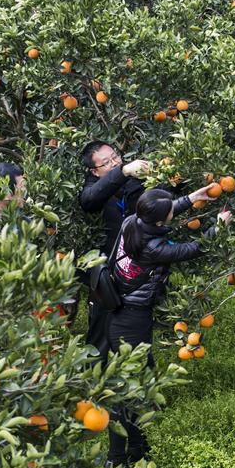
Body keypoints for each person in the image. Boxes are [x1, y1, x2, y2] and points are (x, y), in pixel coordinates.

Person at [106, 186, 231, 468]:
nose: (174, 211)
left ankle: (139, 447)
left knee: (141, 384)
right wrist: (218, 227)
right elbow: (195, 249)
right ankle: (115, 459)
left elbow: (161, 210)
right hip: (131, 319)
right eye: (171, 211)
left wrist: (191, 198)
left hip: (124, 313)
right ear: (162, 222)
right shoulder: (154, 248)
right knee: (128, 391)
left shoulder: (132, 221)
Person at [79, 141, 152, 363]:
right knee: (101, 333)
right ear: (95, 170)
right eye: (107, 162)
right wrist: (122, 171)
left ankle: (143, 388)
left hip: (135, 272)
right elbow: (89, 200)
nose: (114, 162)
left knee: (138, 333)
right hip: (105, 277)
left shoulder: (134, 180)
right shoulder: (94, 186)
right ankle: (92, 386)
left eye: (115, 157)